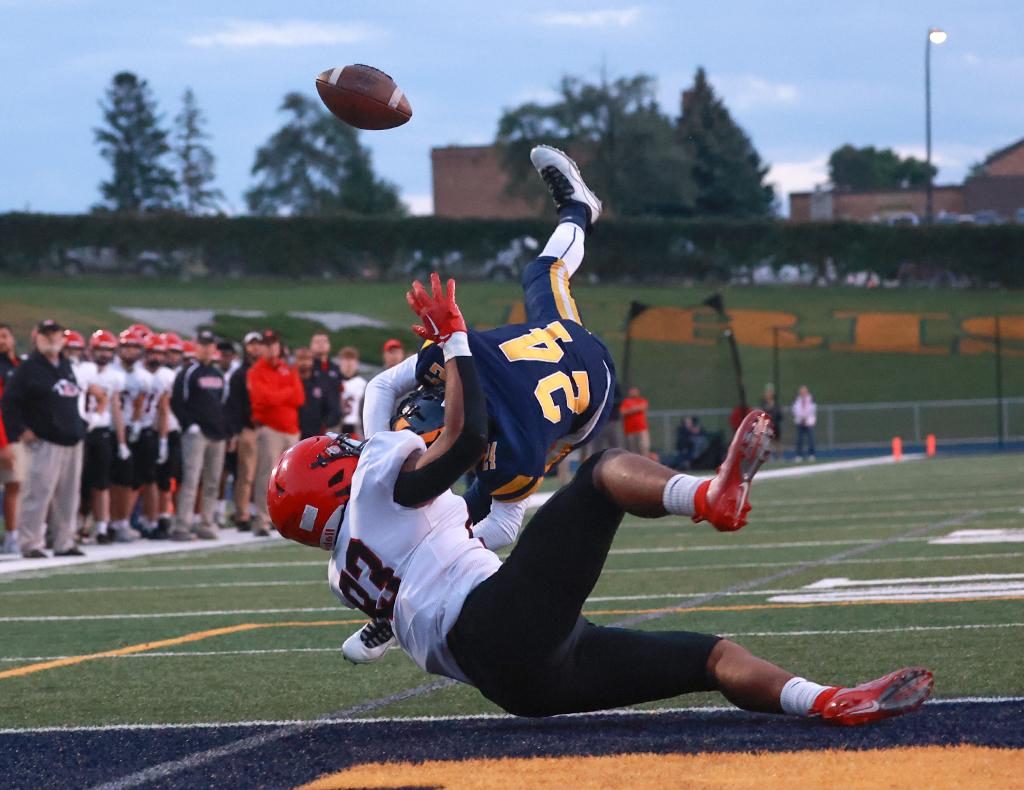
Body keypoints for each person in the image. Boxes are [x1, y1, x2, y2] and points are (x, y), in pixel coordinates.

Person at [267, 274, 933, 727]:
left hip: (519, 683)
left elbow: (475, 519)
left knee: (712, 659)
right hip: (499, 621)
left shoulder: (347, 570)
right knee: (605, 470)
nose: (353, 445)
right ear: (332, 473)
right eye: (338, 450)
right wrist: (454, 339)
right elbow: (467, 439)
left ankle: (829, 703)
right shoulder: (379, 478)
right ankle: (711, 496)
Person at [352, 145, 614, 659]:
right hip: (549, 342)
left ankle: (397, 598)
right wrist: (375, 450)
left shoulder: (514, 454)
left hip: (583, 402)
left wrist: (423, 559)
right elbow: (380, 386)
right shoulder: (446, 362)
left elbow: (504, 524)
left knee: (468, 510)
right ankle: (577, 211)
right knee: (543, 272)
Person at [1, 320, 87, 558]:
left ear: (62, 338)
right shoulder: (28, 368)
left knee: (69, 496)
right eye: (46, 335)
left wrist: (81, 425)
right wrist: (19, 430)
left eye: (55, 335)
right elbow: (9, 402)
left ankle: (64, 541)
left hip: (71, 438)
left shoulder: (66, 365)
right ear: (36, 337)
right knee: (38, 493)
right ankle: (31, 543)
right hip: (44, 440)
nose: (51, 340)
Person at [170, 330, 228, 540]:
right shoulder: (188, 372)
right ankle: (182, 525)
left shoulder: (218, 374)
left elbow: (222, 403)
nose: (206, 349)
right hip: (196, 433)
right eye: (202, 345)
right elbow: (177, 401)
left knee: (212, 481)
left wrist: (224, 430)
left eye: (209, 345)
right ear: (196, 347)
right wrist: (189, 424)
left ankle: (206, 522)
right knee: (191, 479)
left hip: (216, 433)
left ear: (214, 349)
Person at [247, 329, 304, 537]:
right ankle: (262, 519)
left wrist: (279, 395)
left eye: (274, 344)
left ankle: (284, 519)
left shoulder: (287, 369)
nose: (271, 348)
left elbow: (298, 397)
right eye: (267, 344)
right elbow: (263, 399)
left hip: (291, 429)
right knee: (266, 475)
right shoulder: (256, 371)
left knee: (290, 478)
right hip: (270, 428)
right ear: (261, 347)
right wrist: (284, 394)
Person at [75, 330, 127, 544]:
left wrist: (122, 442)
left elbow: (116, 408)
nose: (104, 354)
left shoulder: (115, 376)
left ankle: (103, 527)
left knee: (102, 483)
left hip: (102, 431)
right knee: (79, 483)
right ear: (91, 350)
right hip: (81, 428)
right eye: (100, 349)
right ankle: (78, 525)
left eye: (108, 350)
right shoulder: (82, 370)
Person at [225, 332, 262, 530]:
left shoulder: (268, 371)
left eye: (259, 345)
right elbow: (235, 405)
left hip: (267, 428)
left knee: (265, 474)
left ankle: (263, 512)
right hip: (248, 427)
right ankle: (243, 513)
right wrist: (236, 430)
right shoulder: (240, 374)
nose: (255, 348)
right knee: (246, 473)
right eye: (252, 345)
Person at [0, 324, 24, 554]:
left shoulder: (20, 366)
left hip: (17, 435)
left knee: (16, 485)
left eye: (5, 336)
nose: (2, 341)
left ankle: (12, 535)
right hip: (4, 437)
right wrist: (3, 443)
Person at [296, 347, 332, 440]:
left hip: (315, 432)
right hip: (293, 431)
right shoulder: (290, 379)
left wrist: (324, 423)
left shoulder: (319, 381)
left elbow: (327, 404)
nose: (305, 363)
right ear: (296, 360)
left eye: (307, 359)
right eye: (301, 359)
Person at [310, 332, 342, 430]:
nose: (321, 344)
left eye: (324, 341)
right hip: (312, 423)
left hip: (334, 422)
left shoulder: (335, 368)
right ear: (311, 345)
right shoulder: (307, 367)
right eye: (317, 342)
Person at [337, 346, 366, 436]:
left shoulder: (363, 384)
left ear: (357, 363)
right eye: (346, 359)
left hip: (356, 426)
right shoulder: (334, 382)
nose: (349, 364)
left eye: (352, 360)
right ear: (340, 362)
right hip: (337, 426)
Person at [619, 386, 650, 457]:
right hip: (630, 430)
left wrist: (631, 409)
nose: (633, 393)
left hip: (641, 429)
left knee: (644, 447)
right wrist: (635, 409)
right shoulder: (626, 401)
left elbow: (643, 406)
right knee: (632, 449)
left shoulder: (641, 400)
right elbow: (623, 412)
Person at [792, 384, 817, 461]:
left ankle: (811, 454)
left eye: (804, 391)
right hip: (800, 422)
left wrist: (806, 418)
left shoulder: (810, 399)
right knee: (800, 439)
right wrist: (802, 418)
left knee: (811, 439)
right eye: (801, 391)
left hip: (809, 422)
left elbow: (812, 410)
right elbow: (795, 410)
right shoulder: (798, 400)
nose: (803, 392)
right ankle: (799, 455)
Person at [760, 384, 784, 461]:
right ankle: (769, 457)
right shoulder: (763, 403)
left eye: (770, 392)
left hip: (775, 424)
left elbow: (779, 414)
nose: (769, 394)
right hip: (767, 425)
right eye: (768, 392)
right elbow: (762, 413)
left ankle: (779, 457)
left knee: (777, 441)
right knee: (767, 442)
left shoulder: (775, 403)